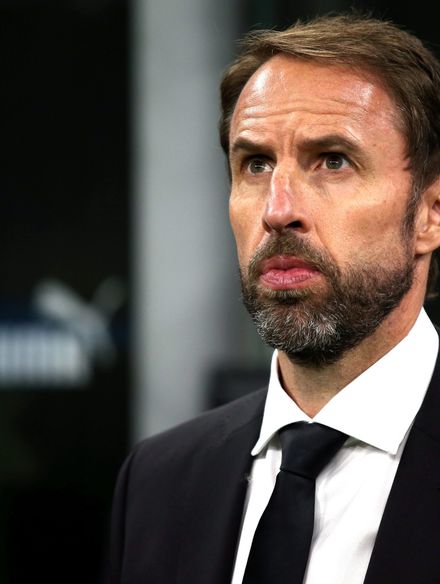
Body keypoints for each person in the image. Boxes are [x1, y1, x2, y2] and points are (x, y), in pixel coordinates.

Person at [107, 13, 440, 584]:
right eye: (256, 164)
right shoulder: (157, 481)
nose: (278, 209)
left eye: (333, 160)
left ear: (430, 213)